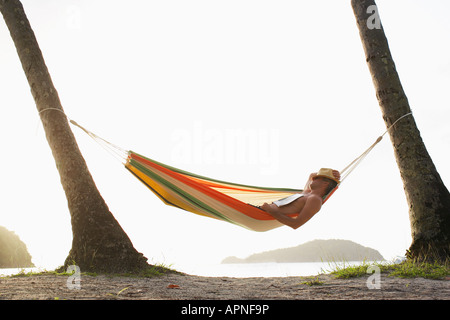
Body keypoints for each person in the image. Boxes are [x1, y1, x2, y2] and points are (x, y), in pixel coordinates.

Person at [260, 168, 340, 229]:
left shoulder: (315, 200)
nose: (313, 179)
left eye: (317, 178)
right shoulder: (306, 192)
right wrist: (332, 174)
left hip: (264, 214)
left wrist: (270, 210)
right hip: (261, 210)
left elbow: (296, 224)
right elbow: (312, 174)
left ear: (325, 183)